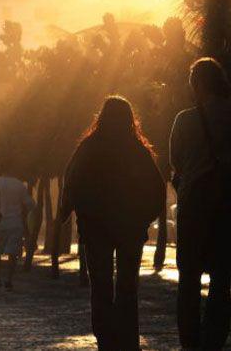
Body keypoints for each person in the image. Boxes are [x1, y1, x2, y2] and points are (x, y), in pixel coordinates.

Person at [60, 96, 165, 350]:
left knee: (101, 287)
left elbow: (71, 181)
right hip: (130, 229)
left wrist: (66, 213)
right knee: (128, 287)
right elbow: (157, 189)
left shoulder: (88, 147)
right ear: (130, 119)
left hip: (95, 229)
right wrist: (144, 218)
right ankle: (128, 341)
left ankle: (106, 340)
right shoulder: (138, 150)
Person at [170, 57, 231, 349]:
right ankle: (214, 343)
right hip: (226, 209)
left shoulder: (184, 119)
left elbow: (176, 163)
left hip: (193, 207)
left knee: (189, 282)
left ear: (195, 85)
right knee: (221, 281)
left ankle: (190, 344)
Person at [0, 166, 35, 291]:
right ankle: (8, 280)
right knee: (12, 253)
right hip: (15, 223)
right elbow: (31, 204)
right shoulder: (19, 185)